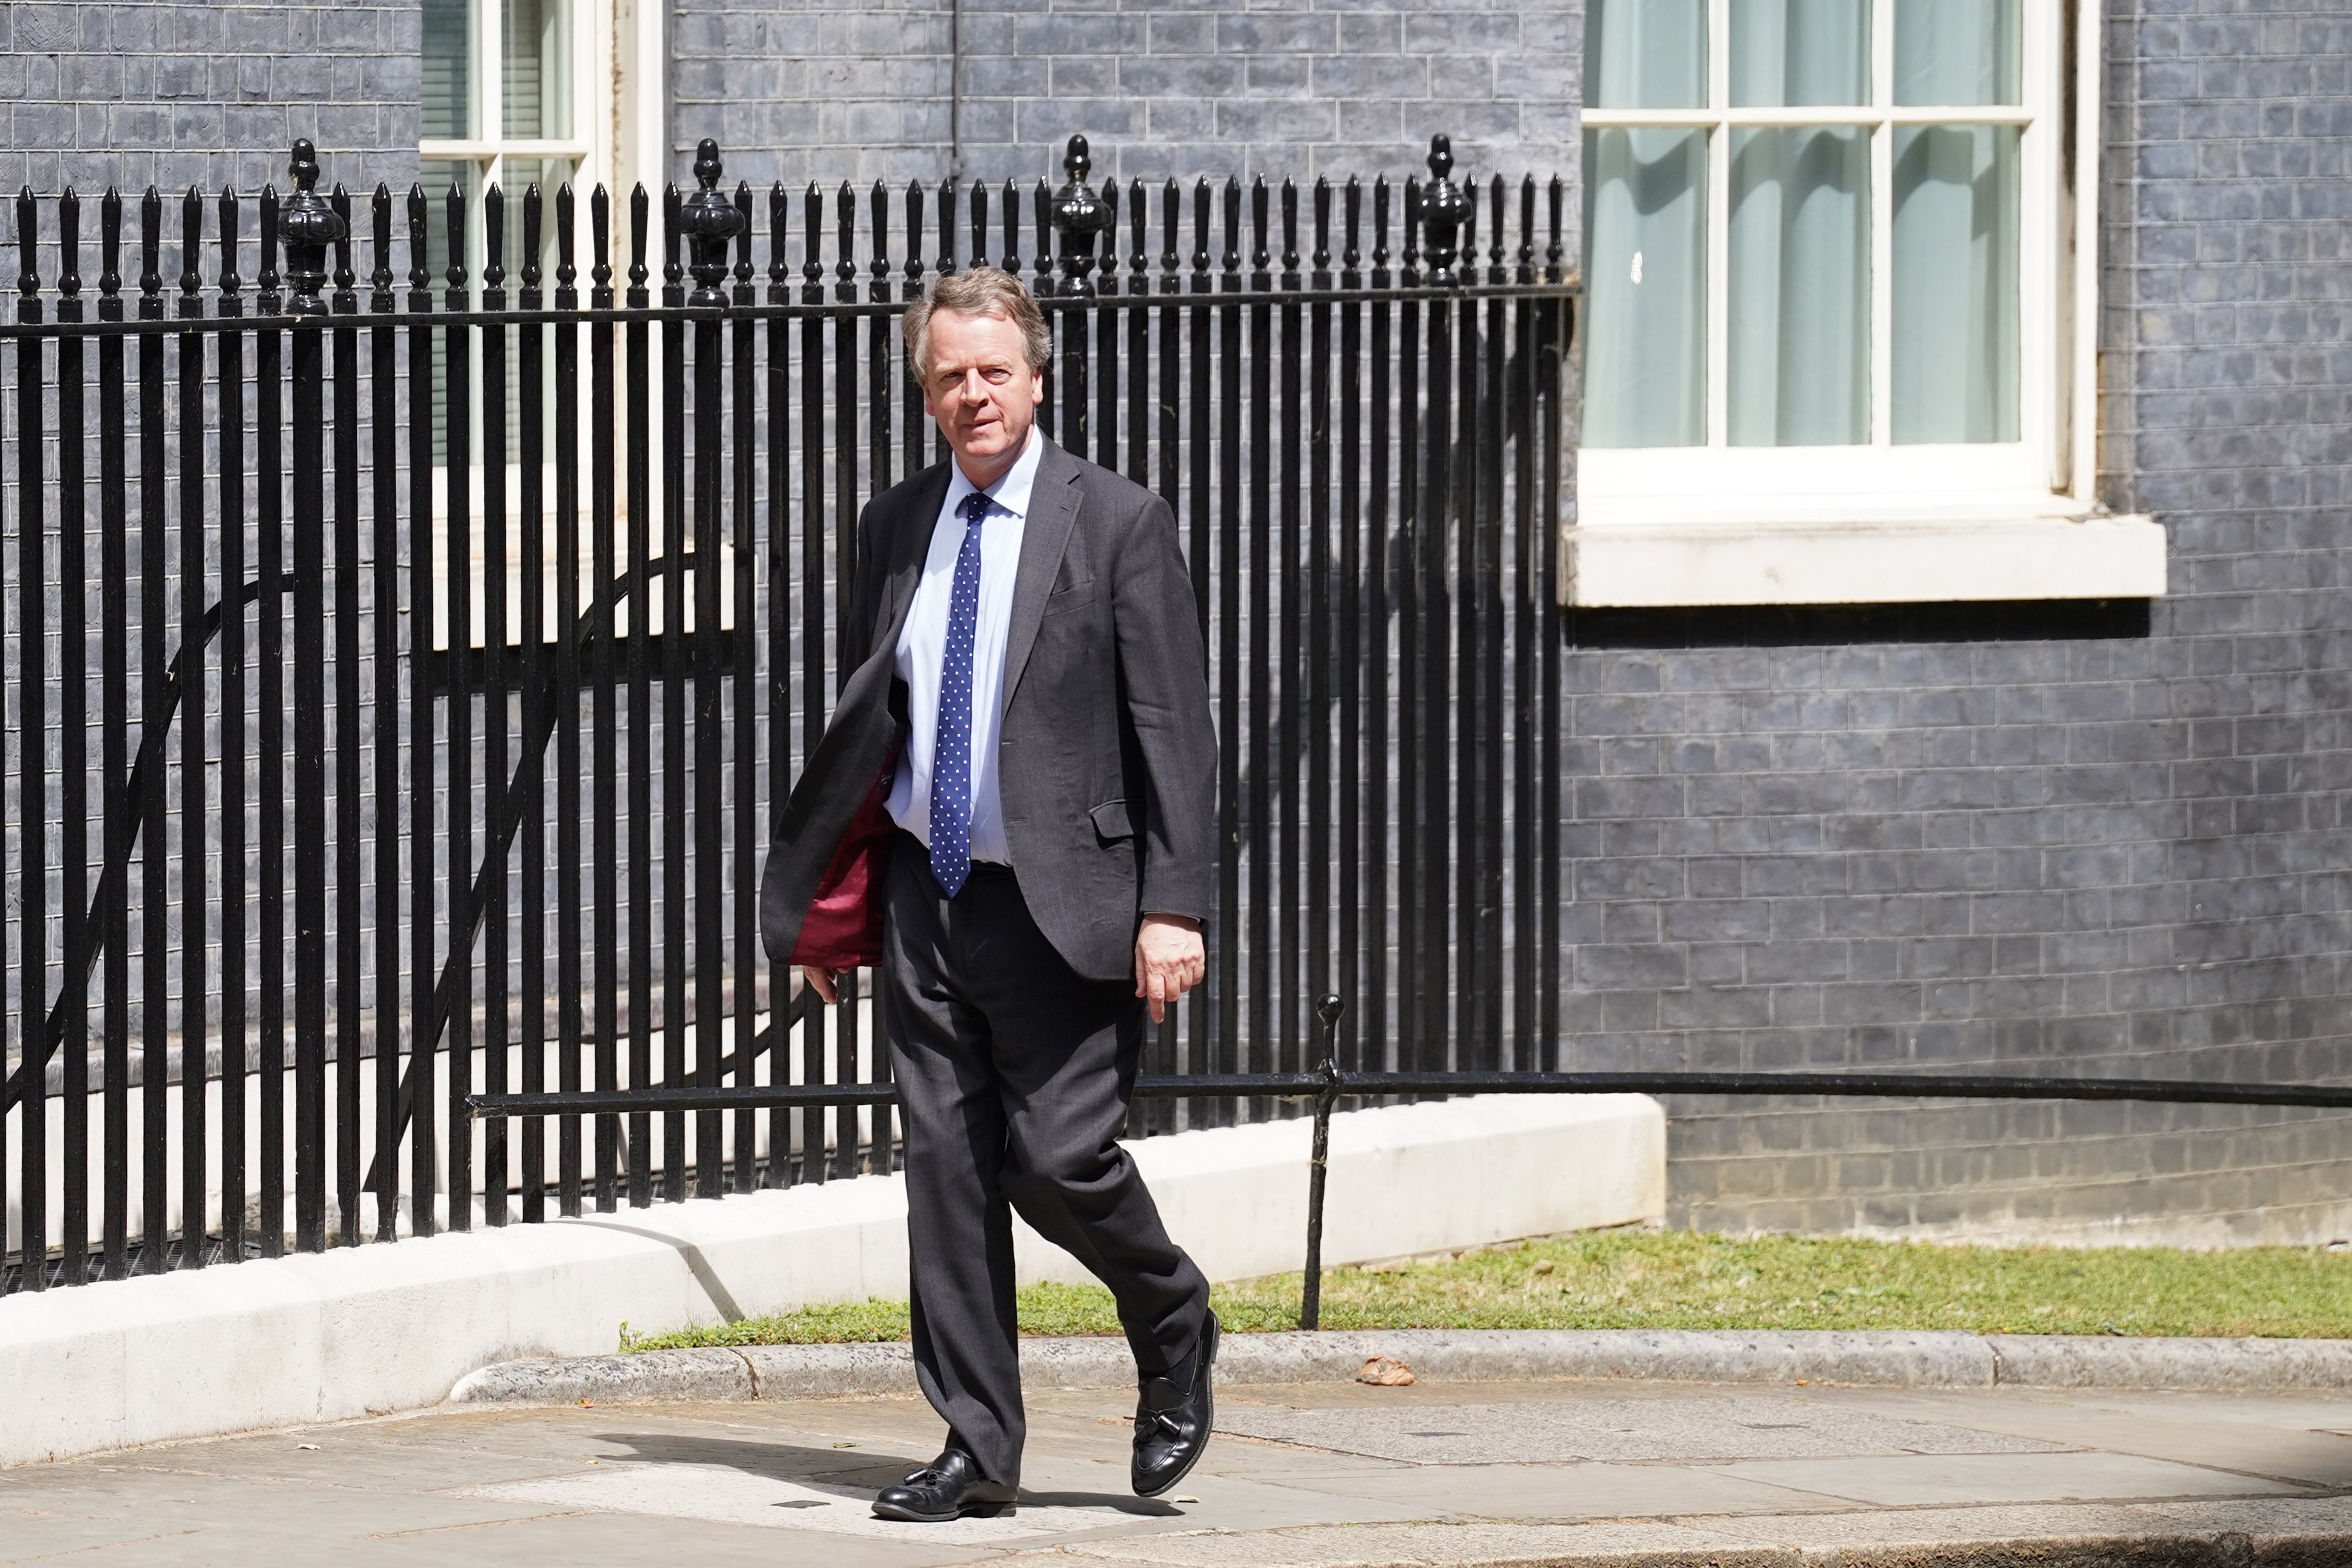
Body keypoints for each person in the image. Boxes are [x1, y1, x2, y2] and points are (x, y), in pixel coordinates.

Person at [758, 266, 1220, 1523]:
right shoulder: (894, 521)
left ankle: (1167, 1308)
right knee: (946, 1168)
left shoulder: (1114, 521)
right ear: (926, 389)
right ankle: (975, 1441)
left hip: (1064, 900)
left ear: (1036, 375)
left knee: (1058, 1157)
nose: (973, 394)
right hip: (926, 889)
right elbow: (873, 728)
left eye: (992, 371)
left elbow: (1171, 724)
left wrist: (1171, 903)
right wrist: (832, 907)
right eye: (949, 375)